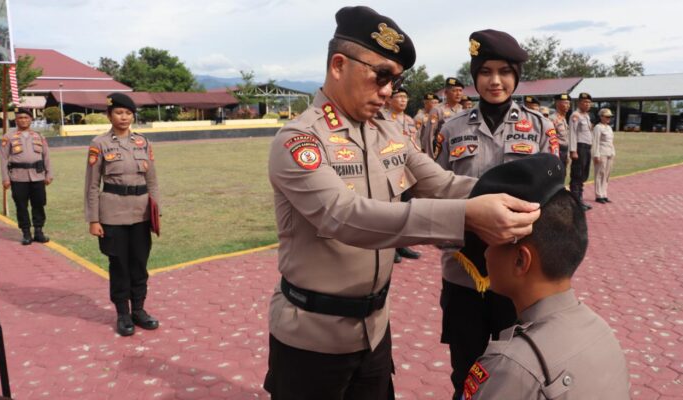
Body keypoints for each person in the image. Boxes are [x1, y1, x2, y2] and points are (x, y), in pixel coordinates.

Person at [264, 7, 542, 400]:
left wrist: (517, 198)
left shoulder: (387, 131)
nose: (388, 92)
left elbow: (441, 183)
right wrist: (465, 217)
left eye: (395, 81)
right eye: (381, 76)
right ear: (339, 65)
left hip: (375, 329)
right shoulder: (299, 141)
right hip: (312, 337)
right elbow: (343, 217)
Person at [435, 29, 560, 398]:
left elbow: (552, 198)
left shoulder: (539, 128)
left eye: (505, 71)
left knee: (516, 369)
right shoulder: (451, 128)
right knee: (465, 370)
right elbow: (437, 189)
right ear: (474, 77)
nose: (495, 81)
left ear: (516, 77)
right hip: (462, 271)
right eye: (486, 71)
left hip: (518, 273)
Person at [461, 153, 630, 399]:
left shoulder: (512, 367)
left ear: (521, 260)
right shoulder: (602, 332)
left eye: (489, 242)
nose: (484, 253)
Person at [84, 93, 161, 337]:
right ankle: (123, 314)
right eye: (119, 112)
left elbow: (153, 181)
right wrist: (94, 219)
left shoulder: (143, 143)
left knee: (139, 264)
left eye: (128, 113)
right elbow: (92, 185)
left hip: (140, 213)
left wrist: (155, 212)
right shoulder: (99, 143)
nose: (124, 117)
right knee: (119, 265)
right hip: (112, 215)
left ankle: (138, 310)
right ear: (109, 115)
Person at [0, 108, 53, 245]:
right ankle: (26, 233)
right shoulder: (8, 136)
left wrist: (49, 173)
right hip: (18, 177)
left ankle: (39, 232)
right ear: (16, 120)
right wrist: (5, 178)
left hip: (38, 176)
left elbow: (46, 156)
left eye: (26, 117)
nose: (23, 120)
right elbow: (3, 158)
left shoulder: (39, 136)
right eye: (20, 118)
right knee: (21, 206)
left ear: (31, 119)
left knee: (39, 204)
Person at [384, 87, 423, 262]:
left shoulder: (409, 120)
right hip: (389, 170)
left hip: (408, 170)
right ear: (389, 100)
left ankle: (401, 244)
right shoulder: (382, 119)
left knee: (406, 208)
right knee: (390, 210)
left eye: (405, 97)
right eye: (399, 97)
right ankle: (389, 248)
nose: (403, 100)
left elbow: (417, 144)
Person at [421, 77, 465, 159]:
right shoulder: (437, 110)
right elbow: (429, 136)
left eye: (460, 90)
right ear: (446, 93)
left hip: (459, 152)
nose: (458, 93)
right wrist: (430, 158)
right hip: (443, 153)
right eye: (454, 91)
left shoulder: (462, 110)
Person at [569, 92, 594, 210]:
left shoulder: (587, 116)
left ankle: (580, 199)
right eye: (585, 102)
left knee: (583, 174)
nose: (587, 104)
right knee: (577, 174)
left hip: (587, 148)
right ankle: (575, 202)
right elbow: (572, 133)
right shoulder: (575, 115)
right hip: (579, 147)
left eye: (589, 102)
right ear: (579, 103)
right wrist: (573, 150)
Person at [592, 108, 616, 204]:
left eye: (610, 117)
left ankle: (604, 194)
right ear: (601, 117)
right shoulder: (598, 127)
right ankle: (598, 195)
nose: (608, 118)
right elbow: (595, 142)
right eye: (606, 116)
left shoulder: (609, 127)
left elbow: (611, 142)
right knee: (599, 174)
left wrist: (613, 152)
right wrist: (596, 154)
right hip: (601, 152)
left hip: (609, 152)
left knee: (606, 175)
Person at [551, 93, 571, 170]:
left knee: (563, 174)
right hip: (557, 151)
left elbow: (566, 138)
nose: (568, 105)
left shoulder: (563, 119)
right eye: (565, 103)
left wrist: (568, 154)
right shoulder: (552, 119)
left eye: (569, 103)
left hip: (564, 151)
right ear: (557, 103)